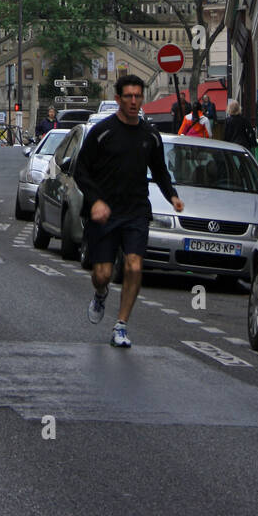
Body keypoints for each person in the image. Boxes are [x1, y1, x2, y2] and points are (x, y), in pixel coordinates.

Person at [74, 74, 183, 349]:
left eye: (138, 96)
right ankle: (100, 293)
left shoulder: (150, 135)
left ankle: (121, 325)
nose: (134, 101)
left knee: (134, 265)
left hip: (135, 211)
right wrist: (96, 201)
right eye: (128, 97)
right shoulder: (102, 133)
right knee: (102, 273)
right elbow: (80, 171)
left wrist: (172, 196)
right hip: (105, 214)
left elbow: (159, 170)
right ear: (118, 99)